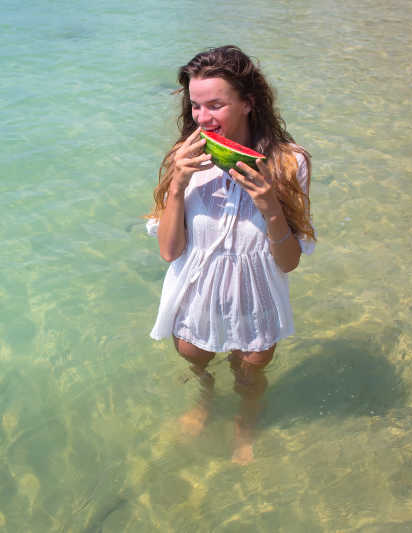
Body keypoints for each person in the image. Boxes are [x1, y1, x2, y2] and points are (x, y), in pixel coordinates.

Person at [146, 45, 316, 464]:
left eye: (216, 105)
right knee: (195, 359)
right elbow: (170, 251)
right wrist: (177, 186)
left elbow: (289, 261)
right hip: (196, 288)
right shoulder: (183, 157)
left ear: (248, 102)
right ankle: (205, 402)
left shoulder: (289, 163)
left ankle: (246, 423)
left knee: (251, 370)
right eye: (196, 106)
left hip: (257, 291)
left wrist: (270, 206)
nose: (203, 118)